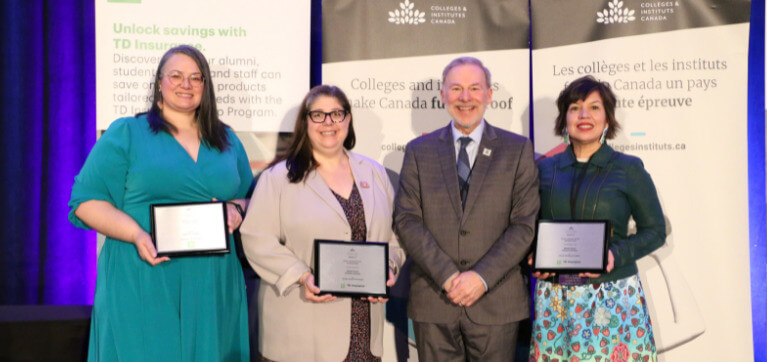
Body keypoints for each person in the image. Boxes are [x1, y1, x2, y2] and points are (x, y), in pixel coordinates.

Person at [69, 45, 252, 361]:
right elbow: (85, 202)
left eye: (196, 78)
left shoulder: (226, 139)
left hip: (212, 280)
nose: (186, 84)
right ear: (159, 83)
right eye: (177, 76)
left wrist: (236, 209)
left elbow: (249, 194)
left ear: (205, 87)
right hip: (143, 270)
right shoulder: (127, 132)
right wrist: (136, 235)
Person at [239, 85, 406, 361]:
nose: (328, 122)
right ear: (306, 122)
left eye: (336, 114)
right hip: (301, 334)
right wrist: (301, 276)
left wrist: (388, 267)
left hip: (363, 335)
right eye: (318, 115)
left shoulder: (374, 172)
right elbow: (257, 238)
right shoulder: (279, 178)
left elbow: (394, 238)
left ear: (348, 120)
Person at [394, 56, 540, 361]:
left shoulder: (517, 149)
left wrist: (481, 278)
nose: (465, 97)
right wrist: (448, 276)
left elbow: (524, 224)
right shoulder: (418, 151)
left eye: (474, 88)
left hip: (496, 301)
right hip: (435, 301)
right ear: (442, 95)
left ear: (488, 95)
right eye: (456, 88)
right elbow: (407, 220)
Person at [529, 75, 666, 361]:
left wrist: (616, 254)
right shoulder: (544, 170)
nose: (583, 115)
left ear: (607, 120)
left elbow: (655, 230)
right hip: (556, 300)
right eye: (575, 107)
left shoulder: (628, 169)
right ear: (564, 118)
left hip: (613, 298)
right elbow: (528, 228)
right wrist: (533, 255)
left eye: (594, 107)